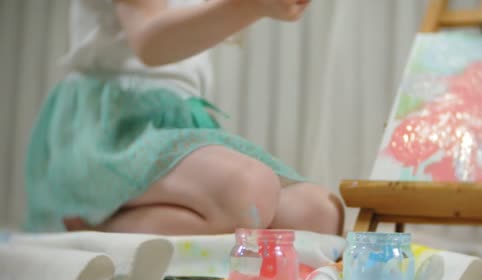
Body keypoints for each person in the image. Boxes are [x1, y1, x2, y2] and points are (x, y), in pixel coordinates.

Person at [25, 0, 343, 235]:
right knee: (249, 192)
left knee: (319, 215)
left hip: (177, 123)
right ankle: (91, 224)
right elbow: (150, 43)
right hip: (111, 127)